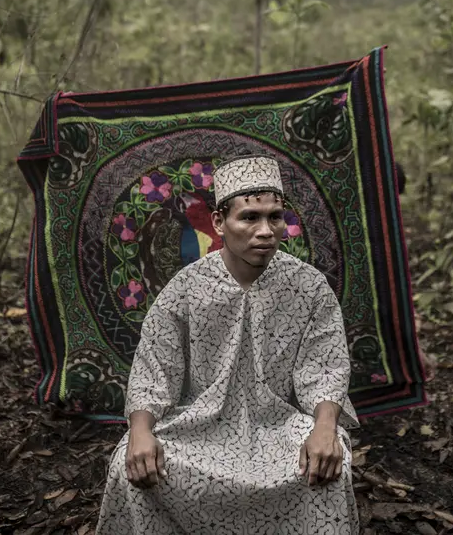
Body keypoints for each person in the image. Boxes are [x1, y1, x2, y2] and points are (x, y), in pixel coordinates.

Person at [95, 154, 360, 534]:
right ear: (220, 222)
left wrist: (324, 428)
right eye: (250, 218)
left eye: (275, 217)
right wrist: (140, 432)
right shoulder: (186, 288)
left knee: (331, 467)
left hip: (280, 426)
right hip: (198, 429)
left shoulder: (310, 286)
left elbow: (326, 367)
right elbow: (155, 368)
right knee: (130, 464)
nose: (266, 230)